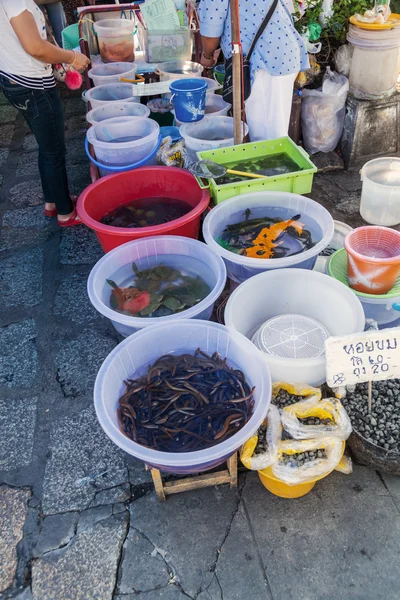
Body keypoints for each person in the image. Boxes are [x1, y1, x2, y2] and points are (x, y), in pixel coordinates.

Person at [0, 0, 90, 226]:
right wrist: (71, 57)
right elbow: (35, 47)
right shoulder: (15, 2)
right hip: (33, 85)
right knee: (54, 152)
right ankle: (65, 213)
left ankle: (53, 201)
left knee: (46, 146)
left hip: (17, 82)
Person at [198, 0, 309, 142]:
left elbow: (211, 30)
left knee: (266, 138)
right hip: (280, 52)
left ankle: (272, 163)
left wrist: (207, 56)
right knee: (272, 131)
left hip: (264, 61)